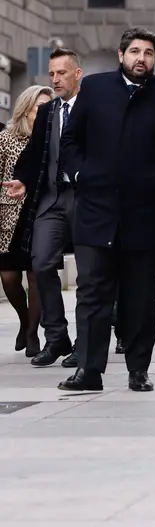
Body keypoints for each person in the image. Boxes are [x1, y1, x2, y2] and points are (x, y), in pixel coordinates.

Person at [57, 27, 155, 392]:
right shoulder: (95, 88)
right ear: (121, 55)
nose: (142, 58)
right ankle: (88, 370)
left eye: (149, 52)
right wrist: (78, 173)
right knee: (92, 293)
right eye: (135, 51)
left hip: (146, 211)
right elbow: (70, 140)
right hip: (95, 208)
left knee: (141, 295)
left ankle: (139, 369)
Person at [6, 49, 91, 368]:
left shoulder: (93, 109)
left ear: (77, 74)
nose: (55, 79)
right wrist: (23, 182)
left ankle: (85, 342)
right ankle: (56, 337)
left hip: (86, 200)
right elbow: (34, 155)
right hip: (50, 200)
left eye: (62, 73)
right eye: (52, 74)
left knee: (89, 275)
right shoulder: (47, 112)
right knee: (41, 265)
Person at [0, 85, 55, 357]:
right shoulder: (6, 139)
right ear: (26, 109)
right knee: (9, 277)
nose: (45, 113)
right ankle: (24, 319)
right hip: (9, 216)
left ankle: (33, 332)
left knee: (37, 275)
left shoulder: (53, 139)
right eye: (40, 108)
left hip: (41, 214)